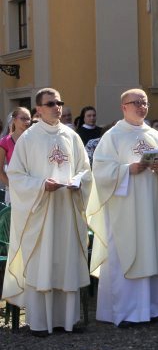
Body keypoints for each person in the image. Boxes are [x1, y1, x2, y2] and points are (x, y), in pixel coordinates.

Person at [88, 89, 158, 327]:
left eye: (145, 103)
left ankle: (156, 309)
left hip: (154, 207)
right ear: (124, 107)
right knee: (128, 253)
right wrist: (126, 170)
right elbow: (99, 170)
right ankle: (129, 312)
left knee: (155, 250)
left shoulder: (156, 136)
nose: (141, 106)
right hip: (126, 209)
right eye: (136, 103)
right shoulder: (113, 136)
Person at [2, 88, 92, 336]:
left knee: (67, 262)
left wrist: (78, 181)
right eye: (50, 103)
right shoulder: (28, 139)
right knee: (43, 264)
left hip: (67, 210)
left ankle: (68, 321)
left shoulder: (71, 136)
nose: (57, 107)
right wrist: (41, 186)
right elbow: (16, 175)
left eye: (59, 103)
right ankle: (40, 322)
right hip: (40, 213)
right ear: (38, 109)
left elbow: (86, 169)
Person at [0, 107, 31, 191]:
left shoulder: (35, 139)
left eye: (28, 119)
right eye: (23, 119)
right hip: (15, 187)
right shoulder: (5, 141)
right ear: (14, 120)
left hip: (34, 186)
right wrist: (13, 186)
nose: (27, 122)